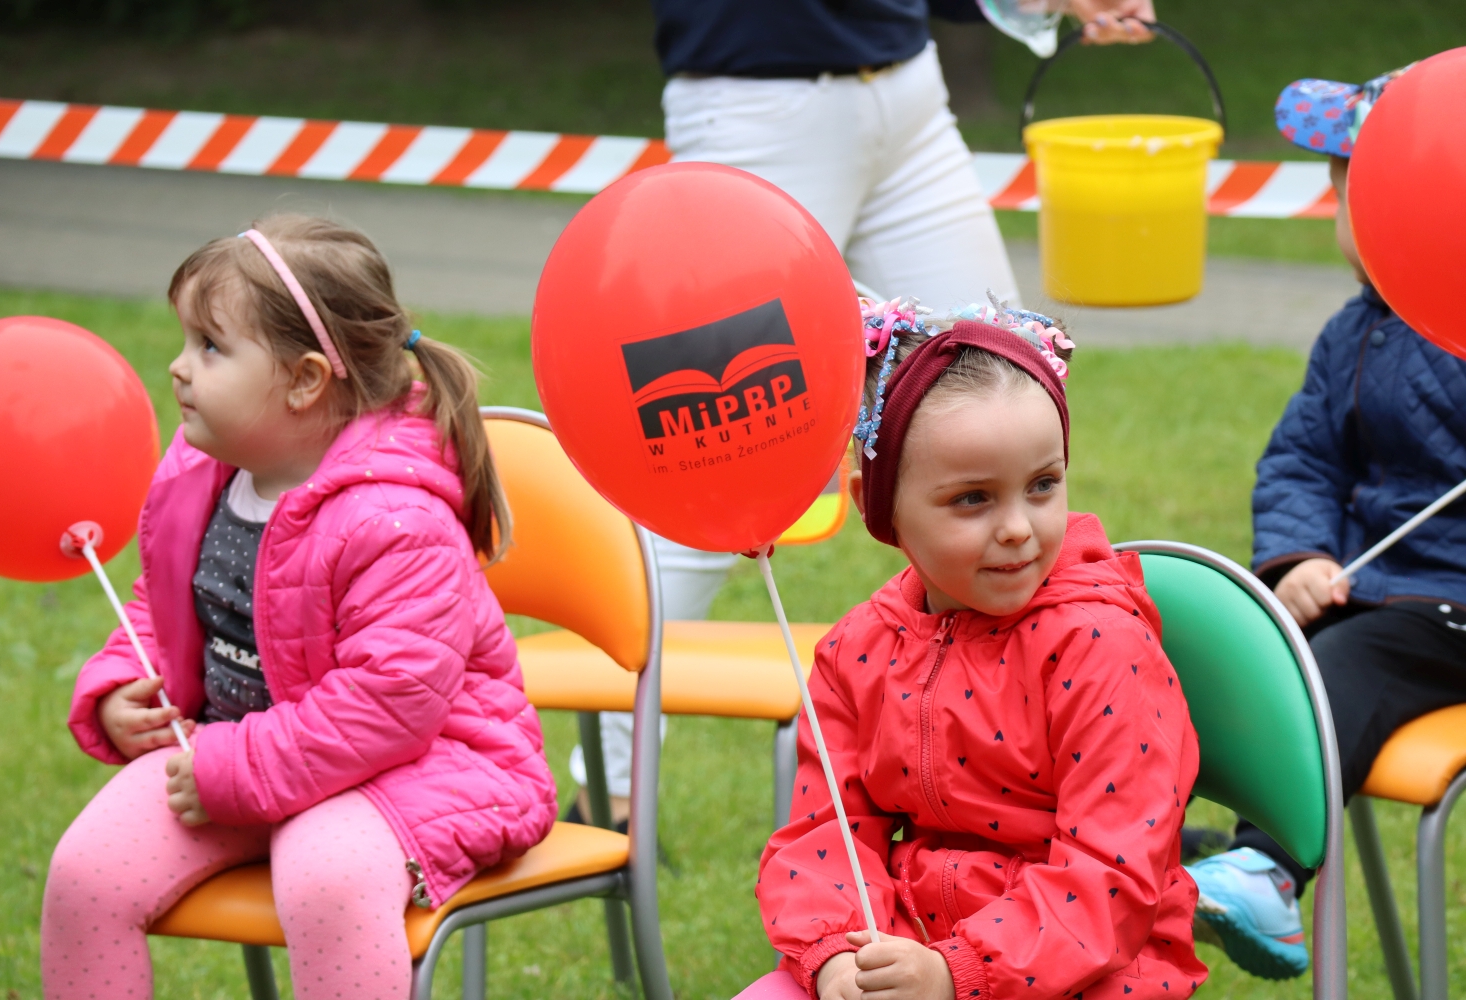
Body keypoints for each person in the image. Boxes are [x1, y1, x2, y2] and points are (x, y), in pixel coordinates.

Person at [568, 0, 1161, 834]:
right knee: (702, 471)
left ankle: (1079, 781)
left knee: (1006, 405)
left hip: (908, 86)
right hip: (757, 100)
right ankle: (611, 799)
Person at [42, 214, 559, 999]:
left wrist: (233, 768)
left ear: (306, 380)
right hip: (247, 757)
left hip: (418, 766)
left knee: (327, 875)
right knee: (87, 876)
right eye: (186, 342)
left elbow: (388, 704)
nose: (179, 369)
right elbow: (165, 600)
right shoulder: (207, 468)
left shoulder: (394, 519)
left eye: (210, 347)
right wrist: (120, 685)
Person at [738, 297, 1206, 1000]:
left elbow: (1113, 875)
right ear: (881, 507)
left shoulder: (1103, 650)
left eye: (1042, 486)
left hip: (1089, 970)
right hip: (906, 947)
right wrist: (838, 952)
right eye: (973, 499)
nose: (1019, 527)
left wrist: (957, 974)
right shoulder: (857, 652)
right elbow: (824, 834)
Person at [1182, 64, 1465, 984]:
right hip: (1363, 586)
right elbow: (1303, 461)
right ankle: (1148, 839)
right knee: (1219, 647)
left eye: (1360, 194)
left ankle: (1266, 867)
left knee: (1341, 668)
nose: (1345, 215)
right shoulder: (1354, 331)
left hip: (1448, 609)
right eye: (1344, 194)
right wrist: (1300, 558)